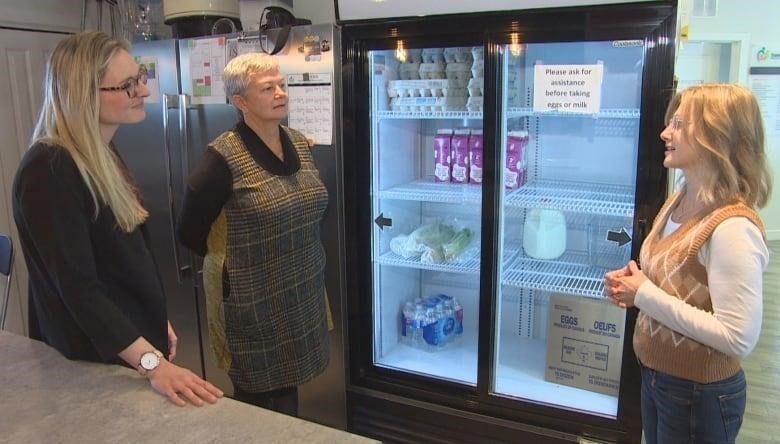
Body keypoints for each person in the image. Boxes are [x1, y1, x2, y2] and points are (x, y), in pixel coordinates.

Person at [12, 31, 223, 407]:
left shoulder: (101, 153)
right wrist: (152, 363)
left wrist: (156, 319)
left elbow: (123, 261)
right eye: (127, 85)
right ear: (83, 93)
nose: (143, 92)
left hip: (127, 352)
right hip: (93, 366)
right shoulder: (50, 169)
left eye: (140, 77)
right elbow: (80, 290)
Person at [604, 84, 772, 444]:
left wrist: (645, 294)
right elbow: (676, 282)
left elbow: (738, 337)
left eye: (680, 124)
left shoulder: (732, 228)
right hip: (657, 378)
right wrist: (634, 285)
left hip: (699, 394)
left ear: (717, 136)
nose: (665, 132)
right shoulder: (680, 199)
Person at [177, 52, 330, 416]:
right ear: (240, 101)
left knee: (287, 393)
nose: (281, 93)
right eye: (268, 88)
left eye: (281, 85)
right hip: (251, 303)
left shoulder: (298, 143)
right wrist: (240, 265)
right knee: (260, 402)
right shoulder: (221, 158)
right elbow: (189, 232)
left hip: (301, 291)